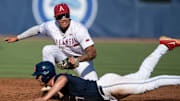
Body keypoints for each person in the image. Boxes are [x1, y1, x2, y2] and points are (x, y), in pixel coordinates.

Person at [30, 36, 180, 101]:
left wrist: (45, 98)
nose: (37, 78)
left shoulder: (58, 79)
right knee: (142, 76)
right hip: (108, 94)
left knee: (146, 86)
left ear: (45, 74)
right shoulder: (61, 91)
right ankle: (164, 46)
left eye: (38, 75)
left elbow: (62, 79)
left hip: (107, 86)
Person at [3, 3, 98, 81]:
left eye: (66, 15)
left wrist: (78, 60)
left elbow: (92, 52)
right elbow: (36, 29)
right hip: (63, 56)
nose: (64, 19)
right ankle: (50, 80)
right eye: (60, 16)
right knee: (48, 49)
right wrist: (18, 37)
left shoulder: (79, 29)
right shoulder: (51, 26)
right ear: (55, 18)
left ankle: (72, 82)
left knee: (94, 86)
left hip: (82, 61)